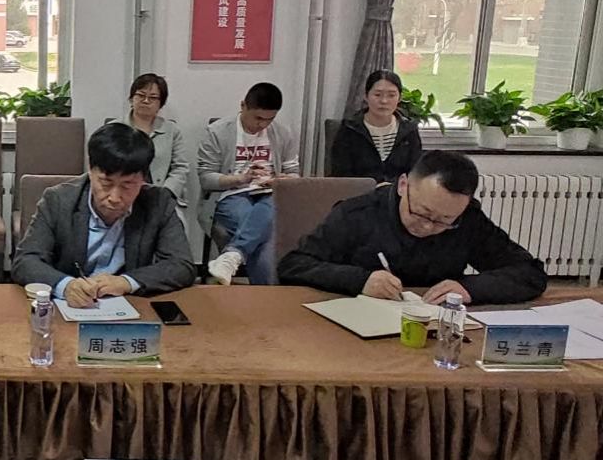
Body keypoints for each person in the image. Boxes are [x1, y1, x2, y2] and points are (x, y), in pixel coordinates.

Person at [280, 151, 547, 305]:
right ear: (403, 185)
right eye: (421, 213)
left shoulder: (468, 221)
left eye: (444, 220)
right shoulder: (357, 214)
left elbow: (529, 273)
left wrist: (471, 289)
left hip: (432, 331)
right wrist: (359, 280)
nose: (428, 226)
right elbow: (294, 266)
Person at [12, 123, 197, 307]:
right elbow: (26, 260)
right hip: (68, 307)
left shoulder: (158, 203)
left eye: (127, 185)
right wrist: (66, 285)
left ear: (143, 178)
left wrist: (127, 282)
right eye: (106, 183)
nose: (114, 198)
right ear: (90, 171)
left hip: (129, 306)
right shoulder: (58, 200)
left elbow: (181, 265)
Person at [196, 82, 299, 285]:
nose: (263, 125)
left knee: (266, 219)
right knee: (264, 233)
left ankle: (232, 255)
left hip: (270, 194)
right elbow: (206, 178)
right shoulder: (218, 132)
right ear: (243, 106)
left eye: (270, 119)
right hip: (231, 195)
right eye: (258, 118)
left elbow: (294, 175)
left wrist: (279, 180)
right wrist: (242, 179)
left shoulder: (283, 133)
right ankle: (268, 297)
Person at [112, 73, 189, 221]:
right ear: (131, 98)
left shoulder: (171, 130)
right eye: (141, 95)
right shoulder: (115, 129)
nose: (146, 101)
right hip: (122, 194)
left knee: (174, 224)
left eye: (153, 97)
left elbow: (180, 167)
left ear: (161, 104)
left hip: (161, 194)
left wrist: (165, 192)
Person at [330, 69, 422, 184]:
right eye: (377, 95)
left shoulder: (409, 130)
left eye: (391, 95)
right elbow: (341, 175)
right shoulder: (349, 129)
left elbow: (415, 174)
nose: (384, 101)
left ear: (399, 98)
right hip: (360, 193)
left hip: (398, 193)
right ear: (366, 96)